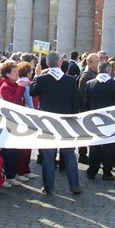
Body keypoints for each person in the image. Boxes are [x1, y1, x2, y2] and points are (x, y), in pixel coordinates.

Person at [30, 51, 81, 195]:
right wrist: (73, 119)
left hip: (48, 122)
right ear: (60, 63)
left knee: (48, 156)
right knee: (70, 154)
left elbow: (32, 92)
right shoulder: (71, 80)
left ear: (47, 63)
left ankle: (48, 187)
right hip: (66, 121)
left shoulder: (41, 79)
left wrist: (36, 75)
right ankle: (75, 185)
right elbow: (76, 102)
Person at [84, 61, 115, 180]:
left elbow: (86, 103)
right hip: (109, 120)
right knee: (108, 146)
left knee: (94, 146)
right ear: (109, 70)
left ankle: (92, 171)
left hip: (93, 119)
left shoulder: (90, 83)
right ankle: (107, 172)